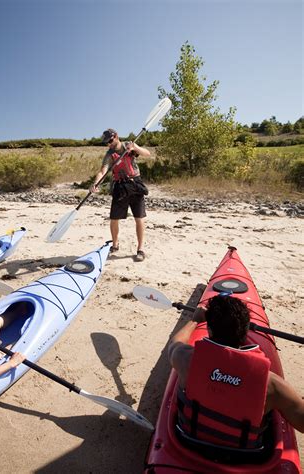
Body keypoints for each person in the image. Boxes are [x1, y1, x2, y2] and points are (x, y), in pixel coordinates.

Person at [169, 294, 304, 452]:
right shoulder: (272, 385)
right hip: (243, 456)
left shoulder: (186, 359)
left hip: (191, 444)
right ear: (245, 332)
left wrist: (195, 320)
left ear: (209, 329)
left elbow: (175, 343)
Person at [90, 128, 151, 262]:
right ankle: (115, 245)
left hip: (135, 183)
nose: (109, 144)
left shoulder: (129, 144)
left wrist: (135, 148)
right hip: (119, 186)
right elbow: (103, 171)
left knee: (139, 218)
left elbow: (147, 154)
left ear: (116, 136)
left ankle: (140, 249)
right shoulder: (109, 155)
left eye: (111, 140)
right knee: (114, 219)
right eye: (107, 142)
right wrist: (96, 183)